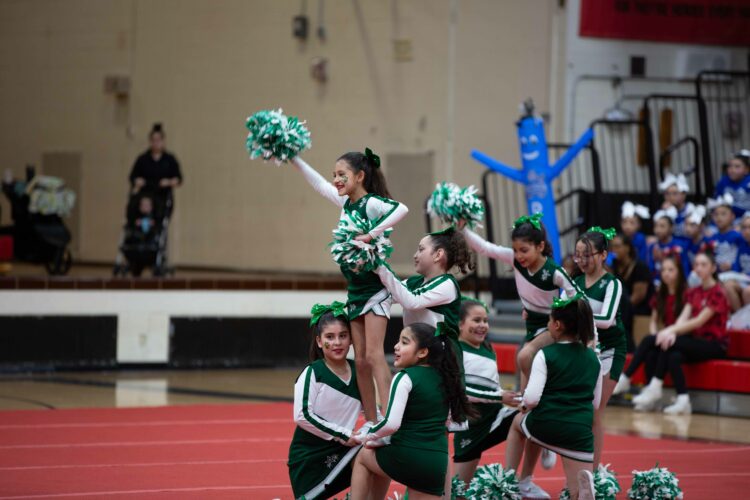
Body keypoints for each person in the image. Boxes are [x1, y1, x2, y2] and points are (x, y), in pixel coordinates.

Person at [292, 148, 409, 422]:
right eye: (335, 175)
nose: (336, 180)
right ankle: (371, 420)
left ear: (359, 176)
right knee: (360, 360)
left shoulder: (370, 203)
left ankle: (391, 419)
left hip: (376, 288)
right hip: (355, 290)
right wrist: (293, 157)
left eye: (342, 175)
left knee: (374, 354)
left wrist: (371, 234)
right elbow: (319, 185)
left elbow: (401, 209)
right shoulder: (346, 204)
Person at [350, 323, 473, 500]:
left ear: (422, 352)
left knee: (363, 456)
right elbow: (450, 423)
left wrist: (366, 436)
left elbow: (391, 424)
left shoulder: (404, 377)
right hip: (436, 463)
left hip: (407, 456)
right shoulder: (446, 378)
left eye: (404, 342)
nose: (396, 346)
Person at [504, 296, 601, 500]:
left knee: (516, 424)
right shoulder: (594, 358)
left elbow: (531, 399)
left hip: (547, 424)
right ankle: (579, 493)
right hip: (579, 434)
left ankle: (508, 481)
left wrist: (523, 406)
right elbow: (596, 402)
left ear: (557, 325)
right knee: (576, 488)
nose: (547, 325)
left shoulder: (545, 354)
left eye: (548, 321)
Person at [629, 252, 729, 414]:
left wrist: (669, 331)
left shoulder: (718, 291)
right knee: (673, 354)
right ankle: (683, 400)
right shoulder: (693, 292)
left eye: (703, 265)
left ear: (713, 268)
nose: (699, 268)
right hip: (694, 342)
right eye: (696, 265)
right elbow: (683, 319)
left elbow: (699, 321)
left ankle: (643, 383)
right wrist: (671, 332)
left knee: (656, 340)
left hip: (715, 344)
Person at [452, 299, 528, 497]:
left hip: (495, 418)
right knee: (458, 492)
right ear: (460, 324)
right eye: (476, 320)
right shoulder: (456, 350)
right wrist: (500, 396)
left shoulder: (488, 348)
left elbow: (492, 388)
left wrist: (512, 398)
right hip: (470, 427)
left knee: (527, 418)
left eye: (485, 320)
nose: (482, 325)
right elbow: (462, 392)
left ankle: (514, 480)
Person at [288, 302, 363, 500]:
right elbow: (301, 415)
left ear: (351, 339)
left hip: (344, 450)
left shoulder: (360, 371)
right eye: (330, 337)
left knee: (375, 451)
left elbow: (374, 411)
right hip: (309, 457)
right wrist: (342, 434)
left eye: (343, 336)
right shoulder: (313, 373)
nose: (337, 342)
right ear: (319, 342)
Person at [569, 227, 625, 468]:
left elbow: (607, 319)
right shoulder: (574, 282)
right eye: (578, 255)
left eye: (587, 255)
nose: (581, 260)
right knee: (579, 412)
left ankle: (593, 474)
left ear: (603, 255)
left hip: (610, 350)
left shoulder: (612, 284)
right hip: (584, 350)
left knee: (594, 412)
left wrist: (578, 317)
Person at [613, 256, 687, 402]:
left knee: (649, 341)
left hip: (681, 334)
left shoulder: (686, 294)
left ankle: (626, 377)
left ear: (679, 272)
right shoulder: (660, 293)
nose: (666, 273)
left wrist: (658, 336)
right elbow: (654, 321)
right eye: (663, 270)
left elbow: (683, 322)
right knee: (651, 351)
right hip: (666, 335)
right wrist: (655, 336)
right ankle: (649, 392)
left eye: (671, 270)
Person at [609, 234, 653, 352]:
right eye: (612, 247)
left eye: (618, 246)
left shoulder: (640, 266)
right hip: (622, 309)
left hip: (639, 310)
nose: (614, 250)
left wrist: (620, 310)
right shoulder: (613, 266)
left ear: (628, 248)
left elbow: (638, 296)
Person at [129, 123, 182, 196]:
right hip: (146, 196)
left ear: (163, 141)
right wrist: (137, 181)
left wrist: (169, 182)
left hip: (163, 196)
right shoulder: (142, 159)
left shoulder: (170, 159)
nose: (156, 143)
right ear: (150, 142)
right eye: (153, 140)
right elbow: (132, 177)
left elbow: (178, 179)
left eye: (158, 140)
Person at [647, 207, 689, 282]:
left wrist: (662, 258)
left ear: (671, 228)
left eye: (662, 226)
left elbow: (685, 269)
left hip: (677, 283)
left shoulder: (680, 245)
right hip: (657, 283)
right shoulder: (652, 246)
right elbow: (649, 270)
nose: (658, 230)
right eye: (656, 226)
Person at [706, 194, 743, 274]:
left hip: (734, 273)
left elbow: (743, 255)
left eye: (723, 214)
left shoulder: (737, 236)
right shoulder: (712, 237)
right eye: (716, 214)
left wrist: (732, 265)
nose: (719, 218)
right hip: (716, 273)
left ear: (732, 216)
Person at [713, 149, 750, 217]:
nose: (732, 170)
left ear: (747, 170)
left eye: (737, 167)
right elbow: (716, 199)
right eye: (730, 166)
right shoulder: (724, 181)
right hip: (727, 218)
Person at [659, 173, 694, 239]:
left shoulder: (690, 209)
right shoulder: (664, 210)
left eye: (675, 193)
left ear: (684, 195)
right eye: (667, 193)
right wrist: (664, 213)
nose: (670, 197)